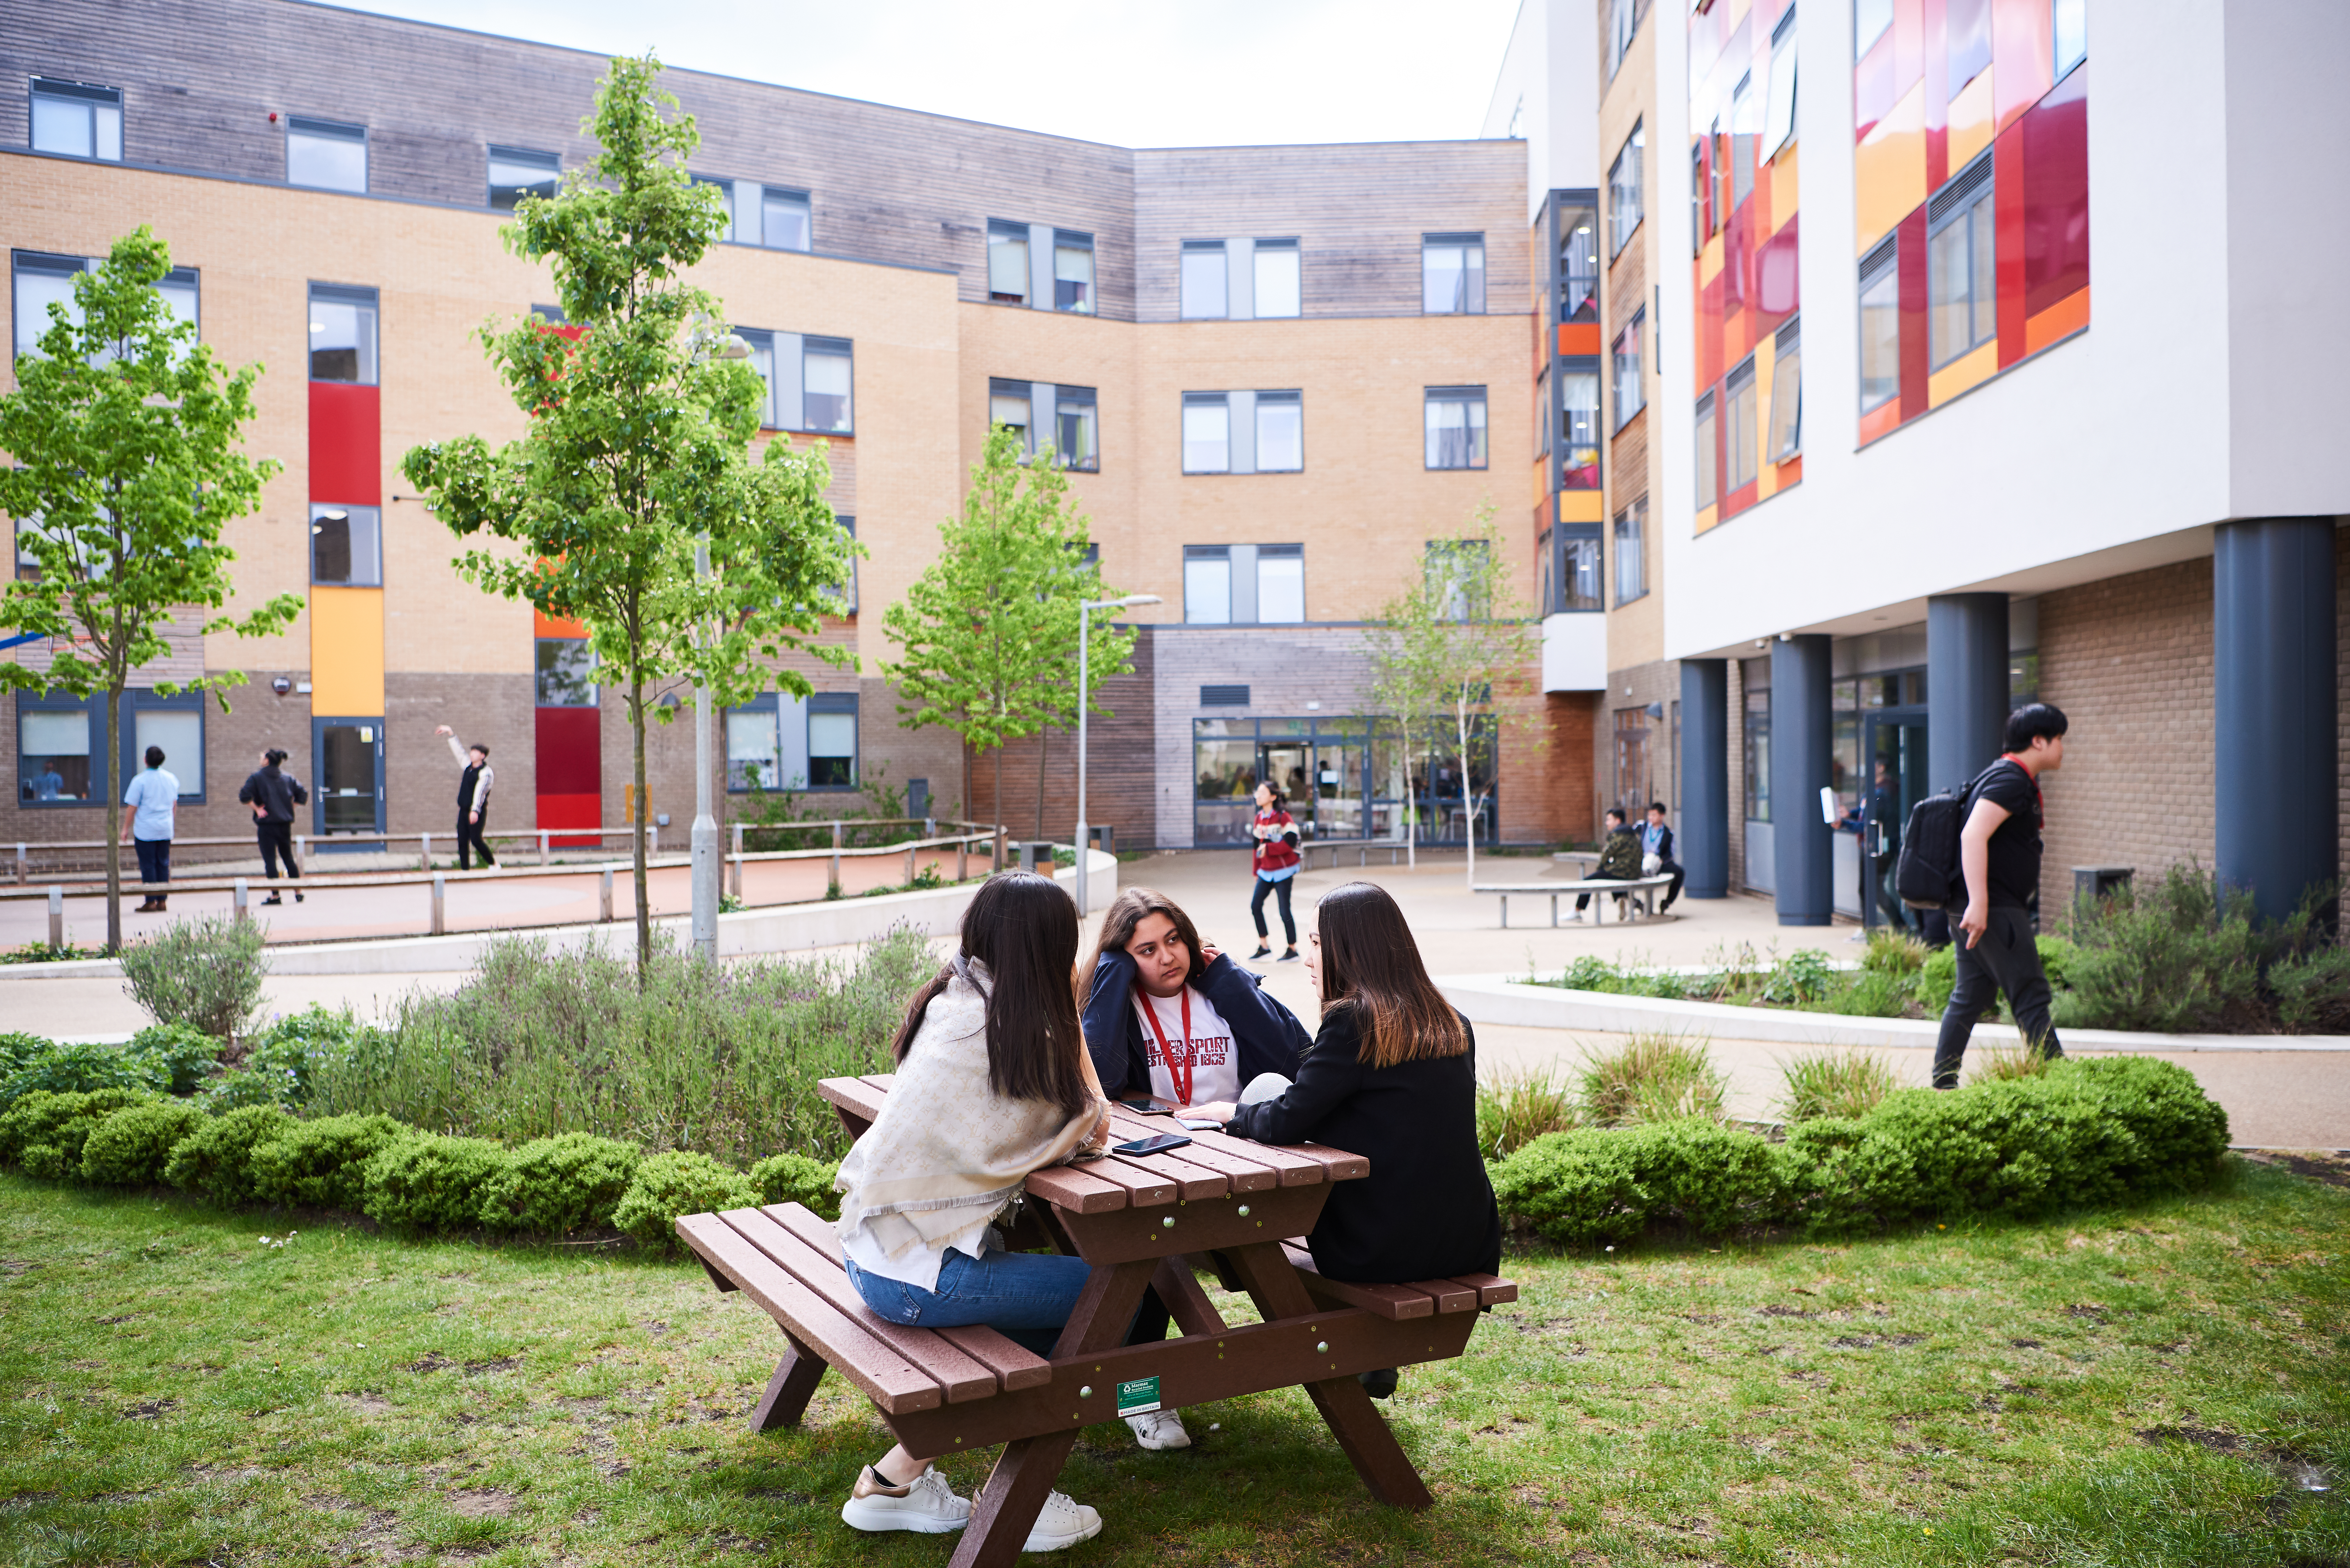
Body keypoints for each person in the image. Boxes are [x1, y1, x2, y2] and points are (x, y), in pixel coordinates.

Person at [831, 871, 1124, 1552]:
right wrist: (1070, 1010)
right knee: (1121, 1296)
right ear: (1053, 948)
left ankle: (896, 1478)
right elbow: (1093, 1123)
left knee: (1073, 1295)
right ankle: (1018, 1492)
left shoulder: (951, 999)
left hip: (873, 1252)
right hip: (920, 1278)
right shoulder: (1018, 1034)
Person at [1188, 880, 1501, 1402]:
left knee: (1266, 1091)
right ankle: (1367, 1355)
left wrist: (1232, 1113)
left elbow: (1287, 1118)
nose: (1309, 956)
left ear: (1348, 950)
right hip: (1465, 1240)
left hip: (1375, 1248)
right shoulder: (1452, 1021)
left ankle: (1234, 1253)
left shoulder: (1355, 1022)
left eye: (1315, 942)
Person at [1076, 886, 1314, 1450]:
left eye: (1174, 939)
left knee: (1295, 1240)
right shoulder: (1117, 1007)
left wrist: (1229, 978)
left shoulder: (1221, 992)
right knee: (1146, 1252)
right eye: (1145, 949)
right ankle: (1144, 1401)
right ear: (1119, 957)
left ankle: (1346, 1356)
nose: (1167, 957)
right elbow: (1101, 1083)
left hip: (1241, 1164)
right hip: (1158, 1171)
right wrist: (1110, 979)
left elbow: (1294, 1061)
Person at [1933, 703, 2070, 1090]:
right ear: (2039, 741)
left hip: (1978, 903)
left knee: (1972, 993)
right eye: (2059, 739)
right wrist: (1980, 902)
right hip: (1992, 906)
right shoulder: (2010, 780)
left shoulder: (2001, 774)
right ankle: (2066, 1087)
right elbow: (1972, 834)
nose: (2063, 748)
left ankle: (1943, 1084)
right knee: (2030, 993)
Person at [237, 748, 307, 904]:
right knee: (288, 857)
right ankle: (298, 892)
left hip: (267, 825)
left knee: (270, 860)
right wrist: (290, 807)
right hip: (284, 824)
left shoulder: (257, 778)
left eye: (262, 756)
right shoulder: (288, 778)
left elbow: (244, 795)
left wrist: (257, 809)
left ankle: (276, 896)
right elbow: (303, 794)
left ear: (267, 760)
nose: (260, 758)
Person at [1246, 781, 1302, 961]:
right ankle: (1264, 947)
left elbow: (1291, 842)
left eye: (1262, 793)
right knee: (1255, 906)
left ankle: (1292, 949)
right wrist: (1256, 872)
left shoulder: (1283, 817)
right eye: (1258, 792)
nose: (1258, 796)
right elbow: (1256, 849)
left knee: (1284, 910)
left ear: (1273, 797)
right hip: (1265, 871)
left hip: (1284, 871)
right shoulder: (1258, 819)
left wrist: (1269, 849)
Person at [121, 744, 180, 913]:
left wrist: (125, 828)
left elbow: (132, 807)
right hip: (165, 829)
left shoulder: (139, 781)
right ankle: (162, 901)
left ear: (145, 760)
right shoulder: (171, 779)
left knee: (148, 866)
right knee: (163, 864)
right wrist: (171, 822)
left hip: (146, 830)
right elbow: (174, 804)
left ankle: (150, 901)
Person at [434, 725, 496, 869]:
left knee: (476, 840)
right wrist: (450, 733)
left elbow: (481, 793)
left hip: (476, 812)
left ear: (482, 756)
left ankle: (494, 864)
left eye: (475, 752)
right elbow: (459, 752)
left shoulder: (486, 773)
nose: (472, 754)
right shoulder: (468, 766)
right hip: (463, 810)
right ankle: (465, 870)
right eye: (472, 752)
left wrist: (475, 810)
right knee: (462, 841)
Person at [1571, 808, 1641, 920]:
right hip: (1635, 872)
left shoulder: (1617, 834)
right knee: (1612, 875)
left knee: (1589, 881)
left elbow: (1607, 854)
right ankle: (1621, 898)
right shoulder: (1633, 833)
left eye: (1609, 820)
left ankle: (1577, 912)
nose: (1606, 823)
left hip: (1623, 871)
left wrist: (1600, 869)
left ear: (1618, 821)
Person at [1640, 800, 1685, 913]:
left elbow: (1671, 853)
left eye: (1654, 815)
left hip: (1659, 862)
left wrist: (1661, 860)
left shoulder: (1668, 833)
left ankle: (1667, 902)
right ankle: (1633, 902)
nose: (1651, 817)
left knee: (1679, 872)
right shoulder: (1642, 827)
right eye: (1650, 815)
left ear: (1662, 815)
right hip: (1641, 861)